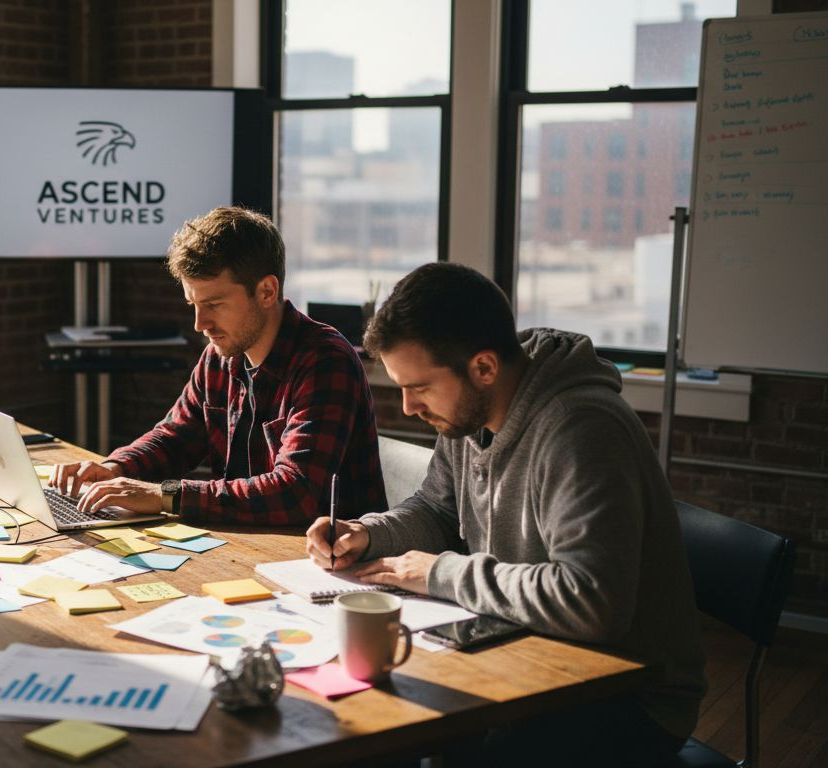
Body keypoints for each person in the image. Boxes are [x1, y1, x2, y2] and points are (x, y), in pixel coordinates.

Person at [305, 262, 705, 766]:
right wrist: (366, 534)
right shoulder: (468, 414)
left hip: (626, 696)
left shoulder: (580, 431)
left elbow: (592, 602)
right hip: (527, 649)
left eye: (420, 388)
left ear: (485, 367)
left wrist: (440, 573)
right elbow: (437, 509)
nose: (407, 407)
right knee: (374, 721)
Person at [51, 206, 383, 526]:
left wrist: (166, 496)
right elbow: (176, 437)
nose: (200, 323)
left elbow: (294, 493)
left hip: (322, 566)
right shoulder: (221, 355)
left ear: (267, 291)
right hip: (250, 548)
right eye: (193, 304)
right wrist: (114, 469)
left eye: (213, 304)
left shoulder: (326, 363)